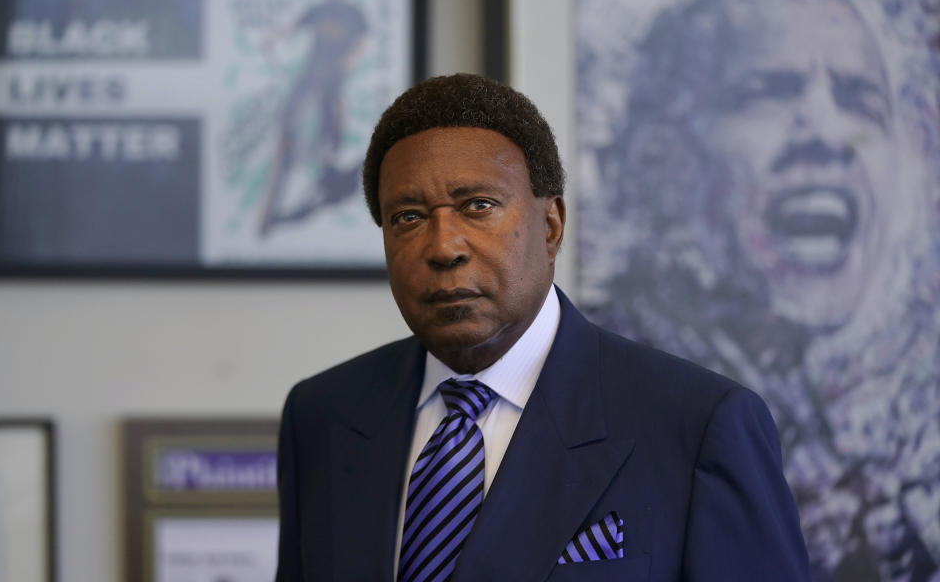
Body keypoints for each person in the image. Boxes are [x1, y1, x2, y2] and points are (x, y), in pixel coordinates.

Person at [276, 73, 811, 581]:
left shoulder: (698, 426)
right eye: (408, 217)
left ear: (551, 226)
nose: (443, 247)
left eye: (478, 205)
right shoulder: (322, 416)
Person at [580, 0, 940, 580]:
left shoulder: (823, 407)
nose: (829, 134)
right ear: (655, 161)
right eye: (767, 91)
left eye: (861, 100)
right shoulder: (589, 392)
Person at [260, 0, 368, 236]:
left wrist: (350, 59)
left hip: (334, 71)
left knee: (331, 105)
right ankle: (288, 136)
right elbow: (294, 26)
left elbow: (362, 40)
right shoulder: (319, 10)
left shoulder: (352, 13)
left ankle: (331, 144)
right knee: (298, 98)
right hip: (313, 67)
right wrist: (273, 39)